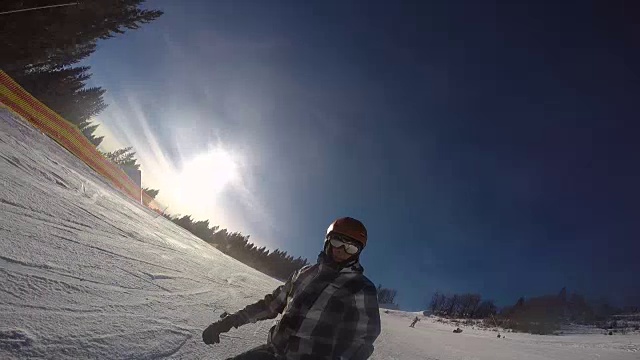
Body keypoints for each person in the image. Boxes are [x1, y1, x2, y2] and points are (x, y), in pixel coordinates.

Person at [202, 217, 381, 360]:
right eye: (337, 242)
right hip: (272, 352)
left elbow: (363, 339)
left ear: (357, 252)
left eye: (350, 247)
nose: (341, 250)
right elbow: (270, 305)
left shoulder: (361, 288)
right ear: (328, 241)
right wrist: (227, 322)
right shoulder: (304, 273)